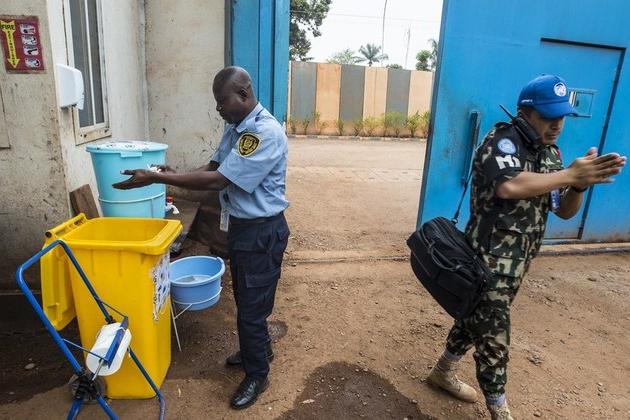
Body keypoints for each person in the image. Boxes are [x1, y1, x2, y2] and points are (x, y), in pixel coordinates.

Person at [426, 74, 626, 420]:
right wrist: (570, 175)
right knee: (495, 336)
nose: (557, 125)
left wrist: (579, 186)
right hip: (486, 260)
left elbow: (563, 210)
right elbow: (510, 186)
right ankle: (499, 409)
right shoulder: (501, 140)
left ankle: (442, 371)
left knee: (476, 318)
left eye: (562, 117)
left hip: (518, 263)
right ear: (525, 113)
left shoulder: (550, 153)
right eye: (548, 116)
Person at [113, 66, 290, 410]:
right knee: (247, 297)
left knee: (251, 307)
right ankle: (259, 348)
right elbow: (212, 168)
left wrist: (157, 179)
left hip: (261, 231)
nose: (218, 109)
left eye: (222, 101)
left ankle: (258, 373)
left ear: (243, 94)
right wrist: (173, 174)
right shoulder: (236, 127)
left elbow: (219, 181)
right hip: (242, 228)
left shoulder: (262, 133)